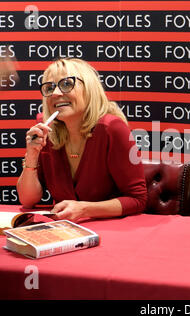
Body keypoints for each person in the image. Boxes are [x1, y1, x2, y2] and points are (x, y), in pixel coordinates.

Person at [17, 58, 147, 222]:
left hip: (112, 231)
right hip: (64, 232)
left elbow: (137, 200)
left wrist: (85, 209)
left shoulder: (112, 128)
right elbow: (28, 200)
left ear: (89, 89)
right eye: (49, 88)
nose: (56, 93)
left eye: (66, 84)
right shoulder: (45, 130)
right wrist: (32, 155)